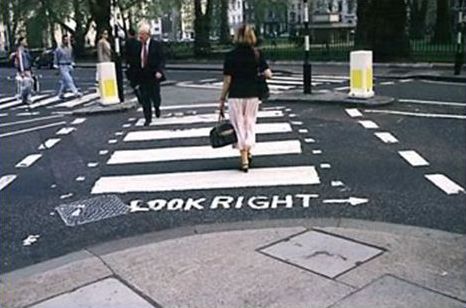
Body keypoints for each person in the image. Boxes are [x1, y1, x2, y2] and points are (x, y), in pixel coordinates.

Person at [218, 24, 272, 172]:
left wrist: (222, 99)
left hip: (235, 94)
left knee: (238, 126)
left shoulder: (230, 55)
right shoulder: (257, 53)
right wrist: (257, 75)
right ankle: (248, 152)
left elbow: (227, 80)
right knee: (249, 124)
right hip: (252, 94)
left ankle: (243, 158)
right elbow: (269, 74)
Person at [132, 24, 165, 126]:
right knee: (145, 98)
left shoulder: (156, 45)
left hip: (153, 74)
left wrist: (159, 71)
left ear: (147, 34)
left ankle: (157, 107)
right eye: (139, 34)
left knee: (155, 95)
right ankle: (148, 118)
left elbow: (162, 59)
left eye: (142, 34)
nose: (140, 36)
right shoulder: (137, 46)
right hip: (142, 76)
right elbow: (135, 61)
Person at [53, 34, 82, 99]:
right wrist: (56, 66)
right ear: (63, 40)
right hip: (62, 65)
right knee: (69, 79)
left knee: (65, 82)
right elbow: (56, 58)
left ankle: (61, 94)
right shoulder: (59, 49)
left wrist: (72, 63)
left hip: (69, 65)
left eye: (67, 40)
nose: (67, 41)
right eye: (65, 40)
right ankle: (76, 92)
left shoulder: (70, 48)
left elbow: (71, 56)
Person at [14, 37, 34, 104]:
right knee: (27, 84)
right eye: (24, 41)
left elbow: (29, 60)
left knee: (29, 84)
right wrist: (22, 71)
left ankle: (24, 98)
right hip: (24, 70)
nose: (26, 42)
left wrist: (31, 70)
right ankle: (26, 98)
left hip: (28, 69)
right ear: (21, 42)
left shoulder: (26, 50)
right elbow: (21, 61)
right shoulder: (20, 50)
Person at [124, 28, 141, 93]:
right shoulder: (139, 43)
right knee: (138, 75)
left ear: (129, 34)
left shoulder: (128, 43)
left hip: (131, 62)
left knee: (131, 76)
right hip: (138, 62)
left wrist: (127, 62)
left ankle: (135, 87)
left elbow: (126, 53)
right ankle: (138, 86)